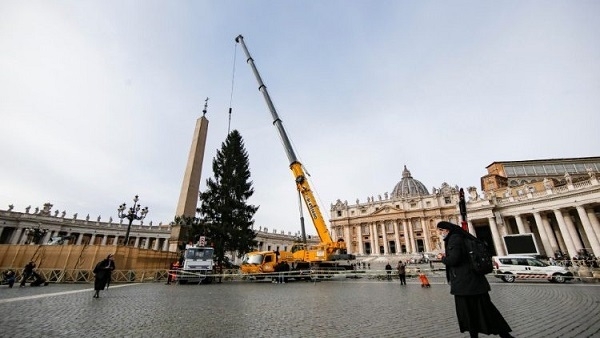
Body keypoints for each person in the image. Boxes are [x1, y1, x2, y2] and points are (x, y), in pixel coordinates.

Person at [437, 221, 513, 338]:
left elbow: (454, 260)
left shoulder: (454, 239)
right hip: (476, 282)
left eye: (441, 230)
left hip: (465, 284)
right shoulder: (463, 237)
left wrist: (442, 258)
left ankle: (478, 336)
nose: (440, 233)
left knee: (468, 313)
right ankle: (505, 335)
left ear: (447, 230)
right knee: (486, 310)